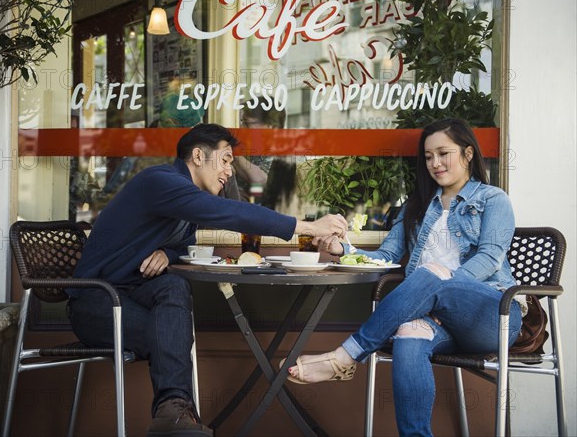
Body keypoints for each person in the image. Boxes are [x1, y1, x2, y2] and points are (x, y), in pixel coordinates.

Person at [66, 123, 348, 437]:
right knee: (172, 335)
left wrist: (167, 254)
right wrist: (309, 227)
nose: (230, 170)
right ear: (198, 156)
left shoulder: (186, 199)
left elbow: (180, 244)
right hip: (95, 302)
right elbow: (227, 212)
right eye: (226, 160)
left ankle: (173, 414)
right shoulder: (160, 181)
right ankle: (177, 417)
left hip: (132, 295)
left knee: (174, 287)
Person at [283, 118, 525, 437]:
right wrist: (343, 249)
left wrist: (442, 285)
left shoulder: (493, 200)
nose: (434, 163)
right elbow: (385, 257)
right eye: (427, 157)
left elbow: (489, 258)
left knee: (433, 273)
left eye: (443, 153)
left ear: (468, 154)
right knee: (410, 332)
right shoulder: (417, 206)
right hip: (436, 319)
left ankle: (345, 356)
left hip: (492, 316)